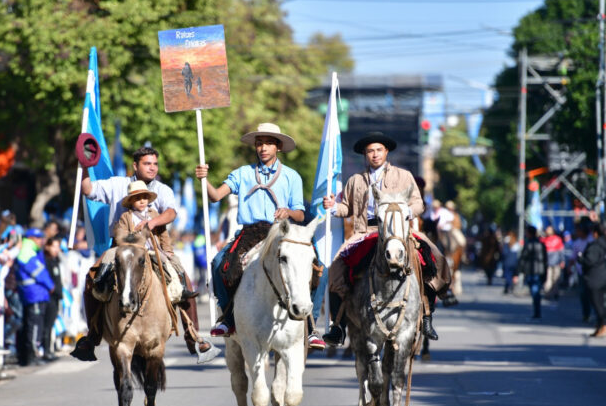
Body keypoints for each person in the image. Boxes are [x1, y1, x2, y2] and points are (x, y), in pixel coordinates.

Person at [74, 144, 215, 362]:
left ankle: (193, 335)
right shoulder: (117, 184)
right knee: (92, 277)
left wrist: (152, 223)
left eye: (155, 164)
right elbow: (88, 190)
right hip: (120, 248)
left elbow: (171, 212)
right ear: (135, 165)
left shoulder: (163, 189)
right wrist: (84, 166)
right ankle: (92, 336)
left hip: (155, 247)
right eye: (147, 164)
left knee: (184, 281)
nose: (152, 168)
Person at [195, 122, 326, 348]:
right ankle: (227, 317)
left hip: (282, 232)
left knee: (319, 269)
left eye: (268, 143)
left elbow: (300, 212)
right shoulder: (243, 173)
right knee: (219, 264)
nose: (263, 147)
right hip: (250, 232)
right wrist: (204, 180)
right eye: (259, 143)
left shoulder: (292, 176)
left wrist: (288, 212)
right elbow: (216, 196)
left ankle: (311, 325)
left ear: (278, 147)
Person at [322, 131, 456, 346]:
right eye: (370, 151)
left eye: (378, 150)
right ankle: (338, 326)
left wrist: (406, 213)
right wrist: (332, 207)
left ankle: (428, 317)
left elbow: (418, 204)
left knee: (433, 257)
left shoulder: (404, 176)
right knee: (336, 267)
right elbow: (346, 208)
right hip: (363, 232)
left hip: (398, 231)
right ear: (365, 155)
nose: (374, 154)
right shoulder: (356, 180)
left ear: (386, 152)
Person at [112, 180, 195, 300]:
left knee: (173, 265)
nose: (141, 201)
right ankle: (107, 288)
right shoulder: (126, 217)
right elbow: (121, 237)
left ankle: (179, 290)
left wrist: (168, 250)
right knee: (113, 265)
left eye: (144, 197)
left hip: (155, 251)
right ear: (130, 201)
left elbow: (163, 234)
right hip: (135, 252)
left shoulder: (154, 214)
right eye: (137, 198)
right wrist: (137, 233)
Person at [15, 228, 55, 366]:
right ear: (31, 238)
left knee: (33, 324)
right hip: (34, 294)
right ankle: (32, 355)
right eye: (38, 238)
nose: (41, 241)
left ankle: (31, 354)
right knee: (35, 326)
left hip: (36, 294)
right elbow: (39, 272)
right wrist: (50, 285)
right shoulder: (27, 251)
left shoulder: (33, 250)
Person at [579, 222, 606, 337]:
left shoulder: (595, 245)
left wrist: (580, 258)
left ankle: (603, 324)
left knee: (597, 303)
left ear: (595, 233)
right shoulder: (603, 244)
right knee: (600, 303)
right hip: (602, 276)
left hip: (595, 278)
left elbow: (589, 261)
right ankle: (600, 325)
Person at [517, 225, 547, 320]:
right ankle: (537, 310)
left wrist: (519, 270)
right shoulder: (541, 244)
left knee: (535, 291)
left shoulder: (529, 244)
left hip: (532, 271)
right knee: (536, 290)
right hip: (540, 270)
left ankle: (537, 311)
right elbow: (545, 260)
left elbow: (523, 258)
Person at [42, 235, 63, 361]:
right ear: (47, 246)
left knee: (51, 325)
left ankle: (50, 349)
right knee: (47, 326)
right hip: (49, 297)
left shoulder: (56, 261)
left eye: (58, 247)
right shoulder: (46, 261)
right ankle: (46, 351)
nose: (56, 249)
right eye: (54, 246)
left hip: (56, 297)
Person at [541, 225, 565, 300]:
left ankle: (555, 292)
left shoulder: (558, 239)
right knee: (548, 278)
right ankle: (547, 293)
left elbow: (561, 251)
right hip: (547, 263)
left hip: (556, 262)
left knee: (556, 278)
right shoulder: (544, 240)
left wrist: (562, 260)